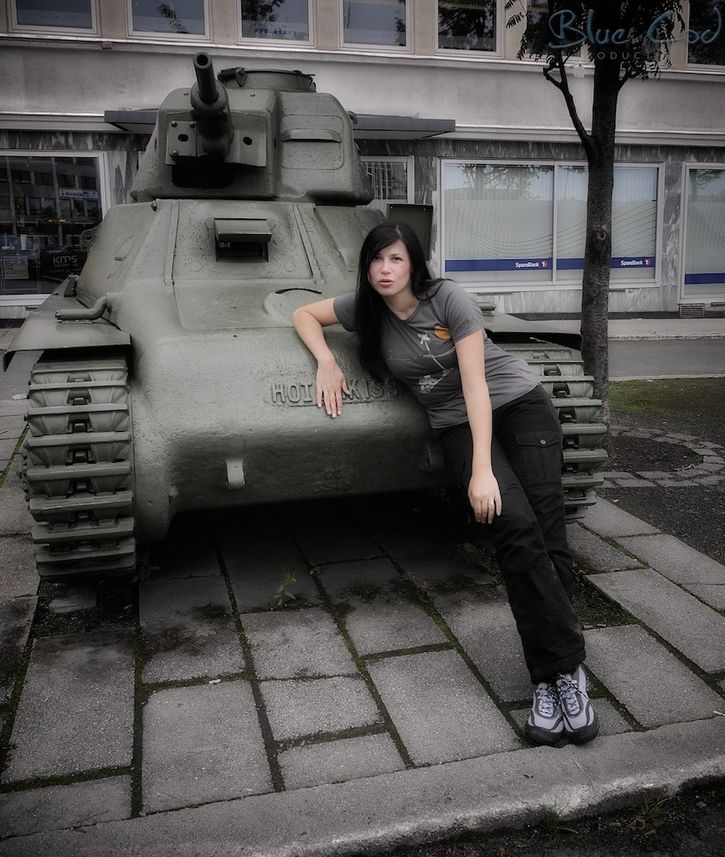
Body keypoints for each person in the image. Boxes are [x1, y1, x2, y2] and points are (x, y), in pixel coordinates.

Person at [292, 221, 598, 747]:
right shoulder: (365, 308)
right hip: (456, 423)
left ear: (414, 263)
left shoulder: (447, 298)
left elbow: (476, 384)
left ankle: (559, 676)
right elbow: (303, 313)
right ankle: (559, 671)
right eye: (376, 259)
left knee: (548, 535)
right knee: (514, 526)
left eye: (396, 259)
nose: (385, 269)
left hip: (517, 406)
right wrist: (325, 361)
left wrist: (482, 470)